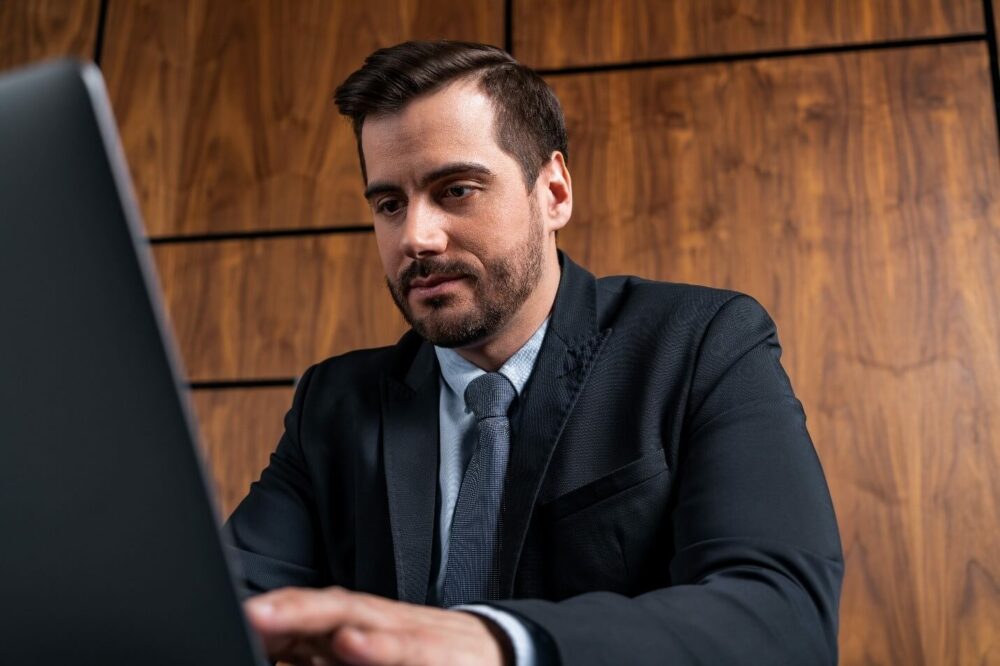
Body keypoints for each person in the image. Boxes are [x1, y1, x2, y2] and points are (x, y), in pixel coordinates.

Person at [229, 40, 843, 665]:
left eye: (457, 190)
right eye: (389, 204)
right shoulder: (332, 404)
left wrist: (500, 642)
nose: (415, 236)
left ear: (553, 193)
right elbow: (224, 604)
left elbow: (783, 618)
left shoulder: (701, 343)